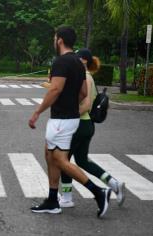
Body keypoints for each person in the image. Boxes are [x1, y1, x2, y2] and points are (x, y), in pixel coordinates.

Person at [28, 26, 111, 218]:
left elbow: (55, 89)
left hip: (60, 119)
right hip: (71, 118)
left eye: (54, 37)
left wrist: (37, 112)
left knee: (59, 160)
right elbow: (82, 93)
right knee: (50, 156)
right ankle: (52, 200)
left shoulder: (61, 62)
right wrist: (69, 101)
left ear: (60, 40)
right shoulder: (78, 63)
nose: (53, 40)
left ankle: (99, 192)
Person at [59, 49, 125, 208]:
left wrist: (68, 117)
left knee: (63, 160)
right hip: (86, 125)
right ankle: (114, 184)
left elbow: (87, 104)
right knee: (82, 160)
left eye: (76, 58)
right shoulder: (86, 76)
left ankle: (67, 198)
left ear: (82, 60)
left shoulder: (85, 78)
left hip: (79, 124)